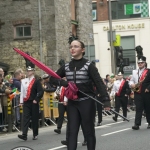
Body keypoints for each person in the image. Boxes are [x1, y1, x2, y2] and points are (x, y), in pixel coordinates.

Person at [50, 40, 110, 150]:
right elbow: (52, 78)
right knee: (71, 131)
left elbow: (99, 82)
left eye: (76, 46)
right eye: (71, 46)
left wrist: (106, 99)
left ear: (82, 50)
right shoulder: (66, 66)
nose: (72, 49)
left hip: (87, 101)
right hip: (72, 103)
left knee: (88, 131)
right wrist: (62, 82)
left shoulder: (89, 66)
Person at [18, 61, 44, 141]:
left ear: (33, 71)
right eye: (28, 70)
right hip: (26, 102)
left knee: (34, 118)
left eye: (30, 70)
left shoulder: (36, 81)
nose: (28, 72)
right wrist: (21, 102)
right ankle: (24, 134)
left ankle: (35, 134)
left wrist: (36, 99)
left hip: (33, 102)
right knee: (25, 118)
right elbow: (22, 92)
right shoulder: (24, 81)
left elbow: (40, 91)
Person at [129, 56, 150, 130]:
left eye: (142, 62)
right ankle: (137, 124)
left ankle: (149, 123)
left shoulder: (148, 71)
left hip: (146, 92)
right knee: (138, 108)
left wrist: (148, 88)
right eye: (139, 63)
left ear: (144, 63)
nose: (140, 64)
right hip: (137, 92)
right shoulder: (134, 71)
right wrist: (131, 84)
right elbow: (131, 80)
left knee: (148, 108)